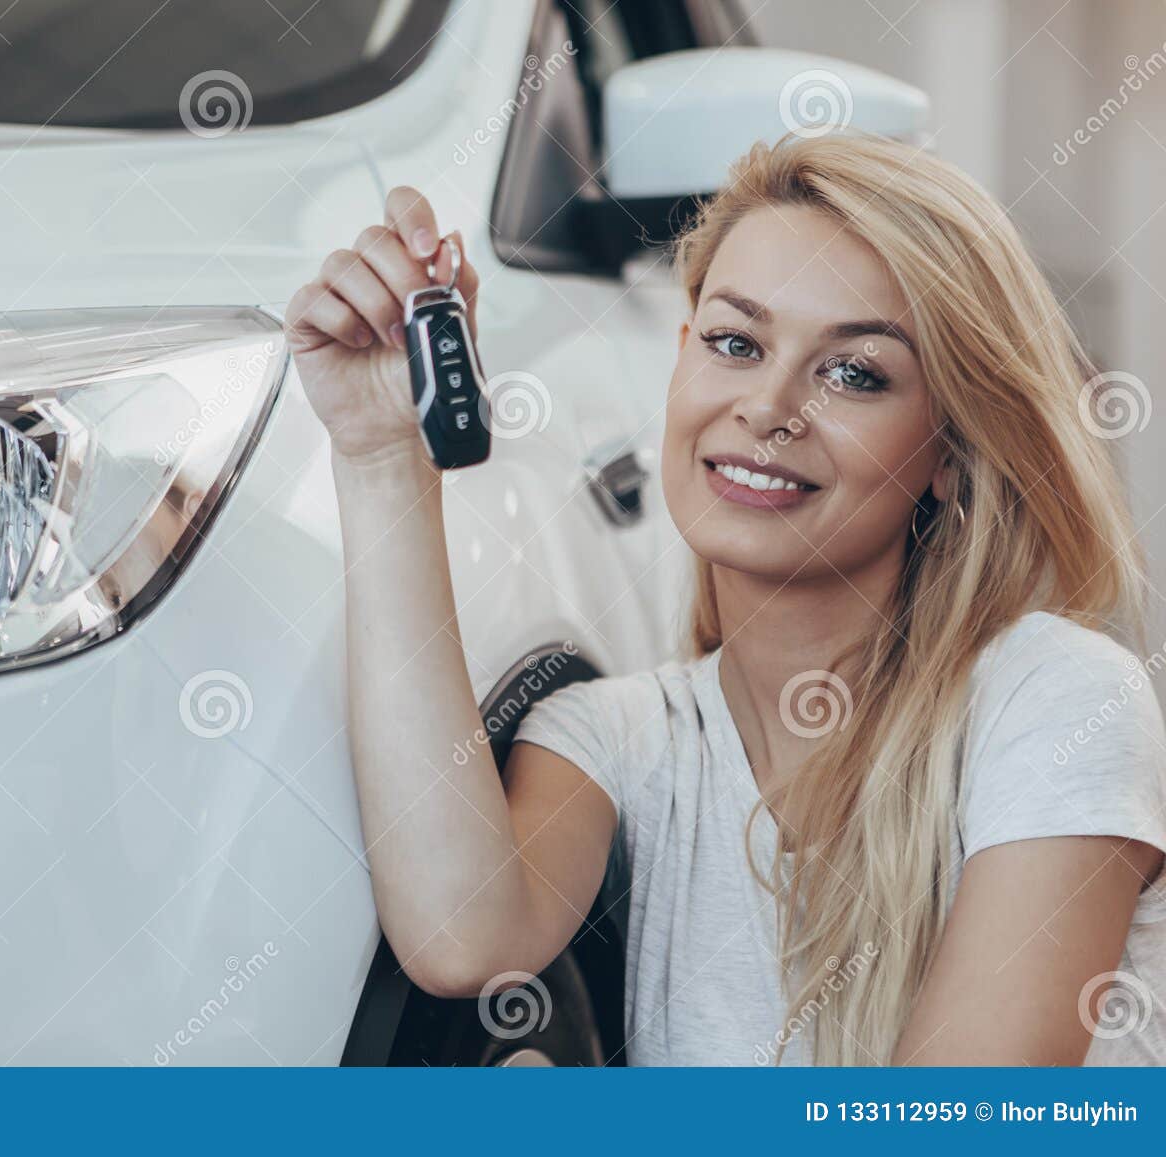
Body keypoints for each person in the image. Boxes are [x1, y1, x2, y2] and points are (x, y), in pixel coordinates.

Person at [282, 131, 1166, 1065]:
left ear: (947, 454)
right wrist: (381, 456)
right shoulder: (618, 736)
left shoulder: (1059, 698)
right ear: (680, 361)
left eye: (854, 372)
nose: (769, 405)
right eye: (735, 343)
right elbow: (463, 937)